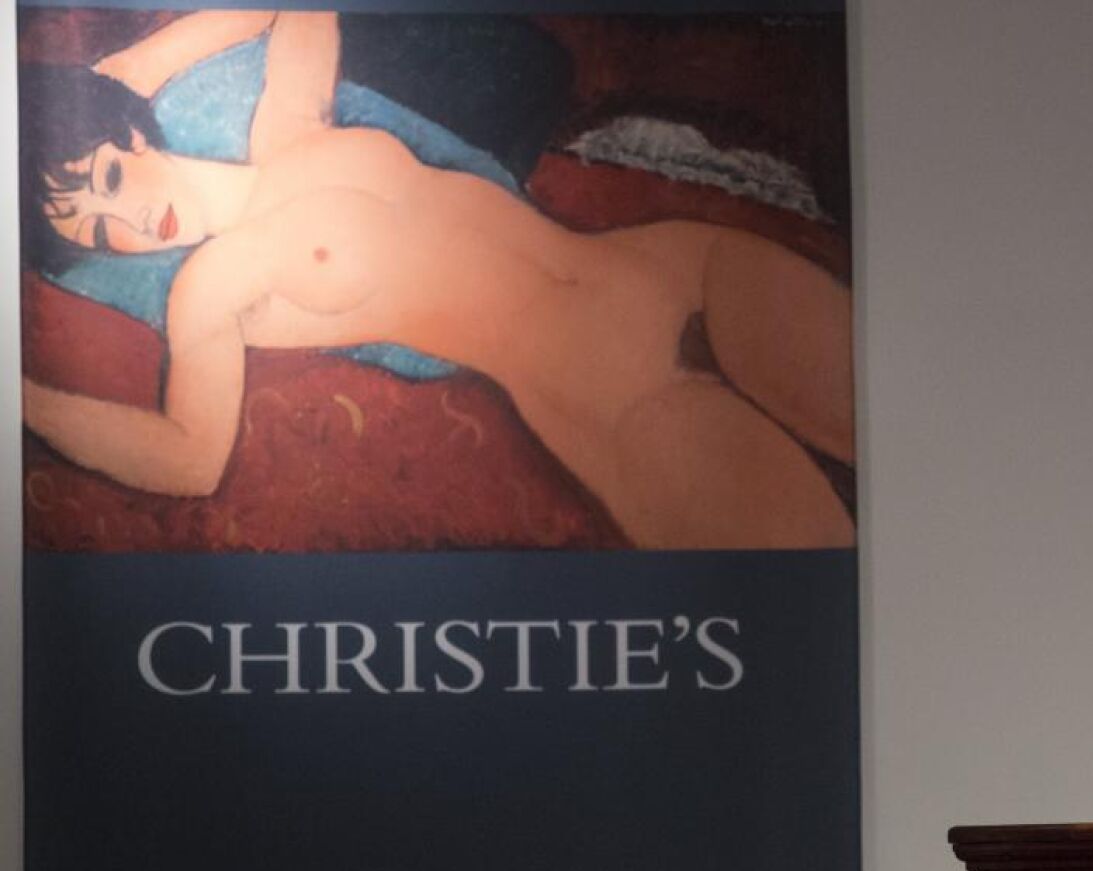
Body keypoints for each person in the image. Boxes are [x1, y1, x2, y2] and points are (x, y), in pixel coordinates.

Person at [20, 10, 855, 550]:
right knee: (844, 591)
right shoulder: (208, 287)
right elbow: (188, 460)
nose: (131, 222)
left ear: (132, 137)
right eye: (95, 231)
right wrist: (21, 400)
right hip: (617, 399)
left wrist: (118, 74)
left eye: (110, 181)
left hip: (677, 267)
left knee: (904, 440)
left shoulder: (291, 125)